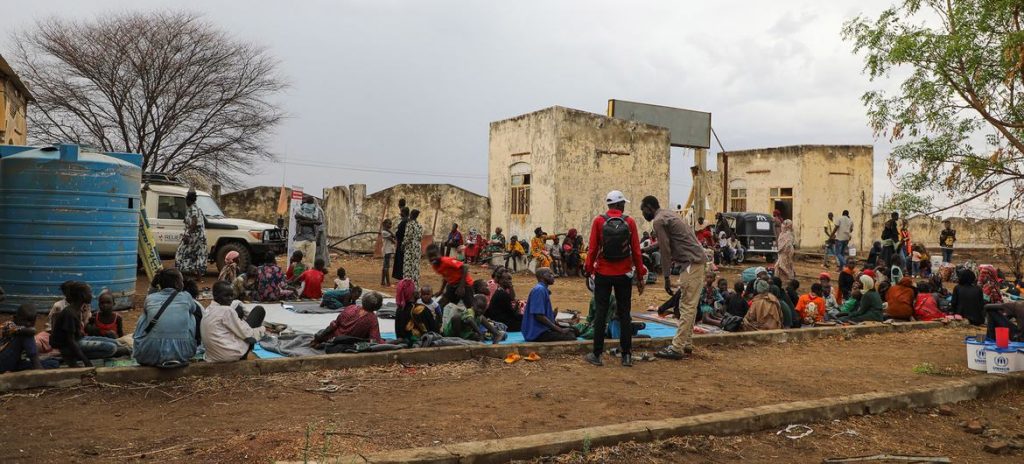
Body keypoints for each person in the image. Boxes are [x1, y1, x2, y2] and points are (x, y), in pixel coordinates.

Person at [584, 191, 647, 367]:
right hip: (624, 274)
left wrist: (589, 270)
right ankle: (626, 355)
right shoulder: (630, 222)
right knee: (624, 314)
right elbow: (636, 251)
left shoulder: (598, 221)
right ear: (619, 205)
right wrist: (640, 275)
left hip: (603, 273)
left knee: (601, 313)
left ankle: (597, 354)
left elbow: (593, 249)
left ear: (609, 205)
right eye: (623, 204)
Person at [641, 196, 706, 361]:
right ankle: (686, 344)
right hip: (695, 262)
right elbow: (667, 242)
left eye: (643, 210)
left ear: (649, 207)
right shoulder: (668, 215)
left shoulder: (658, 220)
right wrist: (647, 249)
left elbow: (665, 249)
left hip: (691, 263)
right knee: (689, 305)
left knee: (687, 307)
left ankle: (677, 348)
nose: (643, 213)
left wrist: (667, 277)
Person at [134, 269, 199, 368]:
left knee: (145, 316)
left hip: (151, 354)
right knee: (191, 316)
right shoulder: (186, 297)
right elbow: (193, 309)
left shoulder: (150, 298)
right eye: (181, 281)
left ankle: (140, 343)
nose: (183, 283)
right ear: (178, 284)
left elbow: (150, 302)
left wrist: (153, 285)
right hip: (182, 354)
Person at [201, 281, 266, 362]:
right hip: (228, 355)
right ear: (216, 296)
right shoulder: (227, 311)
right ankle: (243, 357)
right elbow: (246, 333)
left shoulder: (208, 310)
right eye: (226, 296)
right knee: (259, 310)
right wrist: (262, 330)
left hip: (213, 356)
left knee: (238, 310)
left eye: (232, 296)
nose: (230, 299)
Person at [522, 268, 576, 343]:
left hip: (541, 329)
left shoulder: (542, 289)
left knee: (574, 330)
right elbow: (539, 316)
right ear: (542, 276)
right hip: (537, 333)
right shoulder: (539, 290)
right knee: (571, 335)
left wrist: (552, 316)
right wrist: (560, 330)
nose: (553, 276)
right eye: (550, 274)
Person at [312, 292, 385, 347]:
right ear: (377, 306)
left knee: (322, 331)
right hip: (348, 343)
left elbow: (334, 325)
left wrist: (321, 337)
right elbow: (374, 340)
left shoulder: (351, 308)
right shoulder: (372, 318)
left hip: (334, 337)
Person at [175, 188, 209, 280]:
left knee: (180, 253)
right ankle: (199, 277)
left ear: (188, 200)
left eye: (186, 199)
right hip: (200, 236)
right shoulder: (197, 208)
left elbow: (194, 222)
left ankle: (179, 275)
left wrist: (187, 234)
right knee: (198, 255)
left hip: (193, 236)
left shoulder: (192, 208)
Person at [427, 243, 474, 308]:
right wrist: (441, 291)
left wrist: (461, 286)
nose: (432, 258)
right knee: (442, 305)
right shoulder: (435, 266)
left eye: (434, 255)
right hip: (453, 285)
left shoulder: (446, 261)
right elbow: (445, 277)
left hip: (465, 284)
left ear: (439, 254)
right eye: (430, 256)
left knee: (470, 307)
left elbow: (465, 267)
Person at [1, 304, 43, 373]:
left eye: (32, 321)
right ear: (15, 318)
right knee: (26, 334)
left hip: (13, 361)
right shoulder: (8, 324)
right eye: (25, 320)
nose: (28, 324)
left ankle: (37, 365)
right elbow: (28, 331)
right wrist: (30, 330)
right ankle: (37, 366)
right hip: (3, 360)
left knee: (52, 363)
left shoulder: (23, 329)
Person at [293, 195, 322, 269]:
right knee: (299, 262)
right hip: (300, 238)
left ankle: (308, 277)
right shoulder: (299, 210)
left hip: (311, 239)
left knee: (310, 262)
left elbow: (319, 222)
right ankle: (299, 278)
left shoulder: (316, 210)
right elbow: (300, 221)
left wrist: (306, 220)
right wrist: (312, 221)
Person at [402, 209, 424, 287]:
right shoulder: (420, 225)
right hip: (417, 248)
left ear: (411, 215)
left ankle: (407, 285)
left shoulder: (409, 224)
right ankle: (415, 285)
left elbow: (408, 237)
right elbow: (420, 237)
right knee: (415, 266)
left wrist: (403, 244)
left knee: (408, 266)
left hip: (410, 247)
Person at [391, 207, 410, 281]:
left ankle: (401, 277)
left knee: (400, 260)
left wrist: (396, 236)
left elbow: (399, 233)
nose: (400, 213)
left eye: (401, 212)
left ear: (404, 213)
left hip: (401, 244)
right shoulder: (409, 221)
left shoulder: (403, 222)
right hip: (406, 245)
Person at [380, 219, 396, 287]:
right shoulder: (385, 232)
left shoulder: (385, 231)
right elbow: (393, 239)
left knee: (384, 267)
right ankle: (388, 283)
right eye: (389, 224)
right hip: (387, 250)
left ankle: (383, 281)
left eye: (391, 224)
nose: (390, 225)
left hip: (387, 250)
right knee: (386, 267)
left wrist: (388, 229)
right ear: (385, 224)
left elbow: (393, 237)